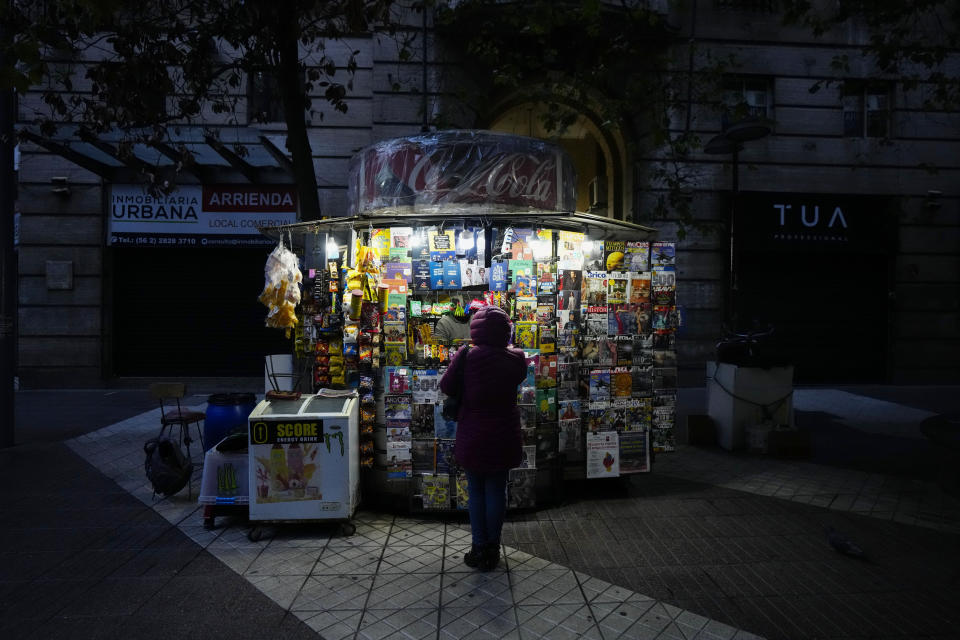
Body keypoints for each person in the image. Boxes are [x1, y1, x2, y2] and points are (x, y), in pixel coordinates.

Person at [439, 305, 526, 571]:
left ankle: (479, 549)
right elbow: (519, 378)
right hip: (504, 433)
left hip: (473, 433)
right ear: (506, 331)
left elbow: (446, 386)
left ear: (476, 329)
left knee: (475, 491)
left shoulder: (466, 356)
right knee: (497, 490)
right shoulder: (517, 358)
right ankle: (493, 549)